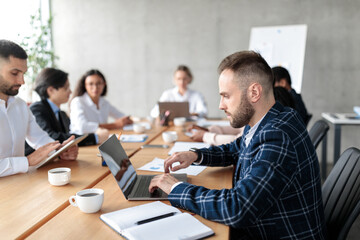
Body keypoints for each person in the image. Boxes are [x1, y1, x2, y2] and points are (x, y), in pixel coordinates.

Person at [149, 51, 326, 239]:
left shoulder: (278, 135)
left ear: (254, 92)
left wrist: (176, 188)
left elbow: (239, 208)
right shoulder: (271, 119)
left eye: (226, 96)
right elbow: (236, 149)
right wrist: (196, 156)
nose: (221, 105)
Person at [0, 40, 78, 177]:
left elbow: (40, 139)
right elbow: (29, 161)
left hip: (20, 185)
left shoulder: (21, 106)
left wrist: (59, 151)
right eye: (14, 73)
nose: (22, 81)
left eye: (23, 73)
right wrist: (27, 161)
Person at [25, 68, 109, 155]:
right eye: (66, 88)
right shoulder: (36, 109)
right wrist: (95, 137)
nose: (70, 91)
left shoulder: (61, 114)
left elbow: (67, 139)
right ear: (51, 90)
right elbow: (51, 137)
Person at [188, 86, 295, 145]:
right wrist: (208, 131)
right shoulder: (256, 121)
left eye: (227, 96)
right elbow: (237, 134)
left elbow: (237, 142)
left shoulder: (271, 134)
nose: (221, 106)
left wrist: (206, 136)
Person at [70, 69, 132, 134]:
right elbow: (83, 127)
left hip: (100, 140)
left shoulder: (104, 102)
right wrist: (115, 125)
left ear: (104, 84)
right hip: (82, 142)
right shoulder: (78, 102)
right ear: (85, 86)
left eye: (98, 83)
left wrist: (127, 120)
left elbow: (121, 116)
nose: (95, 87)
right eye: (91, 84)